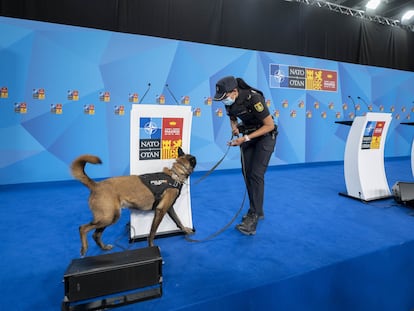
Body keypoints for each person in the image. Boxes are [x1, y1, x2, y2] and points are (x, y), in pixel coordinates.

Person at [213, 76, 277, 235]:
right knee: (247, 173)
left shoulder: (253, 98)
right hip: (248, 134)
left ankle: (253, 216)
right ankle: (257, 209)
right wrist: (235, 127)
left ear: (234, 91)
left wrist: (245, 138)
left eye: (225, 97)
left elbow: (269, 125)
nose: (224, 101)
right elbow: (232, 116)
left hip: (265, 137)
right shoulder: (230, 102)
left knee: (256, 174)